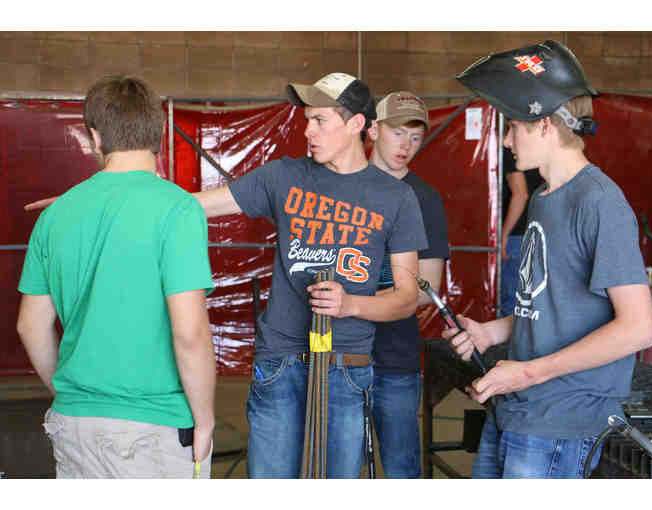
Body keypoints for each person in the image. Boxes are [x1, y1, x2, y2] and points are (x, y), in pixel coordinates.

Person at [194, 72, 428, 478]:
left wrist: (350, 304)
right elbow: (196, 206)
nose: (307, 131)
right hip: (280, 362)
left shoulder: (396, 197)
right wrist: (131, 194)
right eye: (307, 120)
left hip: (346, 366)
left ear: (356, 124)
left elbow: (407, 297)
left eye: (320, 120)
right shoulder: (282, 176)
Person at [444, 40, 652, 478]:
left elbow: (639, 328)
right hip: (519, 409)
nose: (506, 140)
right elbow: (547, 305)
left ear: (543, 125)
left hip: (561, 420)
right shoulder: (543, 198)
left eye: (512, 127)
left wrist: (527, 374)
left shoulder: (599, 201)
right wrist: (489, 332)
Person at [16, 75, 216, 478]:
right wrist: (205, 419)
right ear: (158, 133)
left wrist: (72, 393)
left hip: (74, 422)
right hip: (154, 425)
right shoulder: (178, 209)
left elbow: (30, 326)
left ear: (95, 136)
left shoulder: (55, 215)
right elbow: (190, 332)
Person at [367, 91, 450, 478]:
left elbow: (427, 287)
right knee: (336, 468)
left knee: (401, 469)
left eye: (415, 137)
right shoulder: (339, 187)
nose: (406, 145)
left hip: (394, 357)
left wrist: (355, 303)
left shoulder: (425, 199)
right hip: (336, 355)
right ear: (373, 130)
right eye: (398, 133)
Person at [500, 147, 542, 316]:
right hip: (536, 230)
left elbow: (520, 194)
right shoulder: (538, 150)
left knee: (512, 302)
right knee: (529, 300)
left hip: (516, 236)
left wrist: (504, 235)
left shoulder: (509, 152)